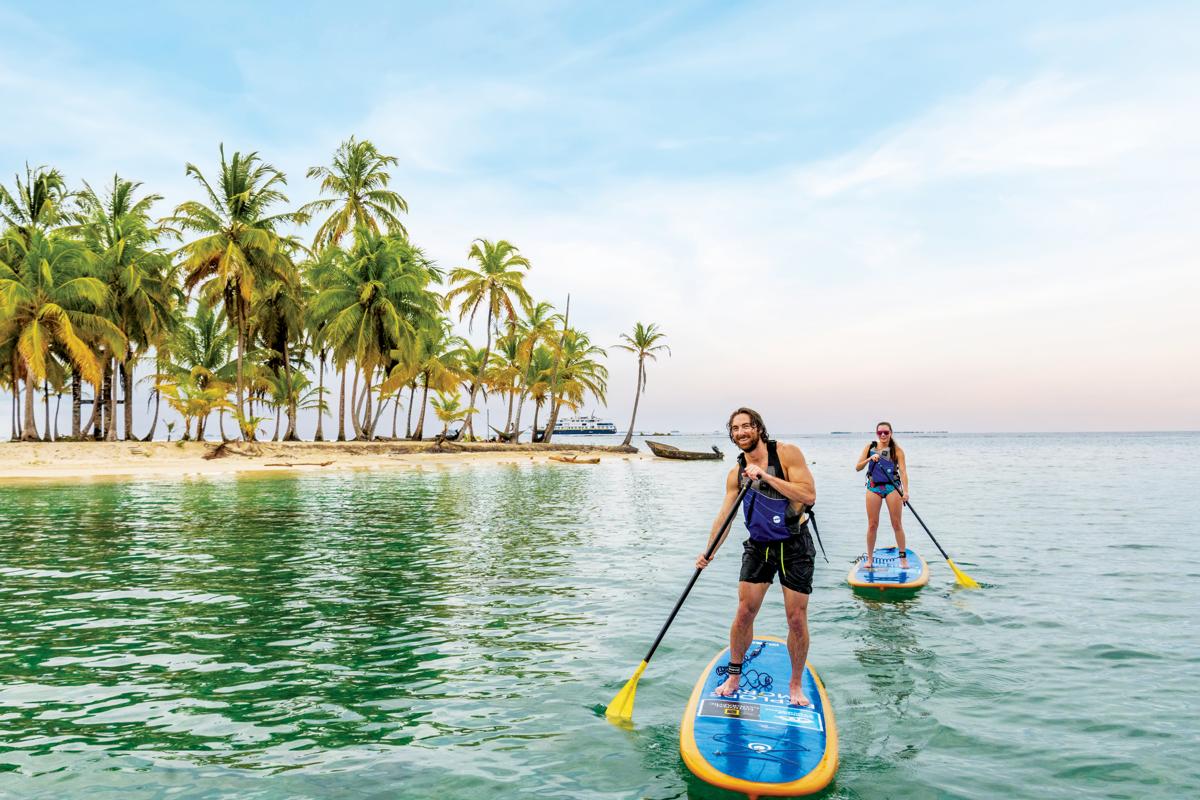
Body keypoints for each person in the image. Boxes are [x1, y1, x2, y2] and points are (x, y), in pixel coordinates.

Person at [696, 407, 817, 707]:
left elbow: (808, 495)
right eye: (735, 429)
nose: (741, 433)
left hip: (794, 544)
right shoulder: (735, 474)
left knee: (796, 619)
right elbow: (725, 517)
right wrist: (708, 552)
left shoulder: (787, 454)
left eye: (746, 426)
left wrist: (765, 476)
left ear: (759, 428)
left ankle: (795, 684)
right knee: (744, 613)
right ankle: (734, 676)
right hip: (759, 546)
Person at [854, 421, 910, 570]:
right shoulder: (870, 447)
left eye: (886, 432)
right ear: (877, 434)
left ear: (891, 433)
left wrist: (906, 491)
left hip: (892, 488)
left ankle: (903, 559)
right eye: (880, 433)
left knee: (896, 523)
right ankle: (870, 559)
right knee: (872, 525)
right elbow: (857, 468)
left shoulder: (896, 451)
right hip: (873, 488)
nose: (883, 435)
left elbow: (903, 472)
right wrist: (869, 459)